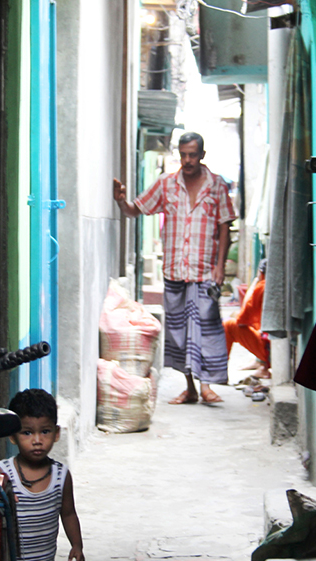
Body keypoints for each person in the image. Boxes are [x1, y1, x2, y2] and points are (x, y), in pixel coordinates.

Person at [112, 131, 236, 404]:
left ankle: (206, 387)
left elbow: (225, 226)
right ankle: (190, 388)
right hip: (175, 270)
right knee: (179, 332)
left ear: (202, 155)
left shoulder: (216, 186)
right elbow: (136, 210)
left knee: (206, 327)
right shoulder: (166, 184)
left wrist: (220, 267)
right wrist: (121, 200)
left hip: (204, 271)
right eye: (183, 155)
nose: (187, 160)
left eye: (193, 154)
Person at [0, 389, 85, 561]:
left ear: (56, 434)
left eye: (44, 431)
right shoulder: (2, 472)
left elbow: (68, 513)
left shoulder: (61, 475)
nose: (37, 440)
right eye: (27, 432)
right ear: (13, 436)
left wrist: (77, 546)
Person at [223, 258, 270, 379]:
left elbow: (242, 319)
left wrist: (252, 288)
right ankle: (261, 364)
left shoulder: (262, 286)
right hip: (279, 349)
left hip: (271, 350)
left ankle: (220, 371)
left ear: (261, 273)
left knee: (228, 325)